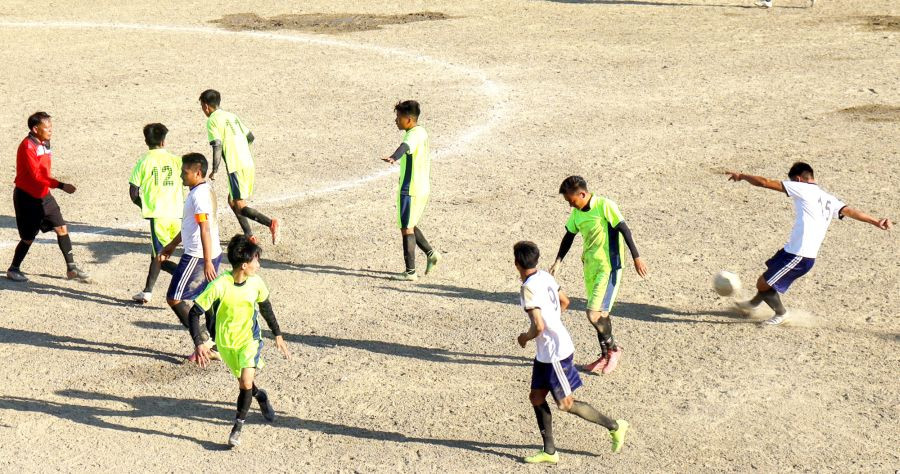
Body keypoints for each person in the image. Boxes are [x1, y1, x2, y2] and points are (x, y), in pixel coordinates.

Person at [726, 163, 892, 326]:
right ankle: (752, 305)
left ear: (798, 179)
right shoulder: (828, 198)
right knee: (766, 278)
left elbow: (765, 182)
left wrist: (742, 176)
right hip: (791, 250)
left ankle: (781, 314)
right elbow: (850, 211)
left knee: (763, 284)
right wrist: (876, 221)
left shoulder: (802, 188)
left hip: (800, 255)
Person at [514, 241, 628, 464]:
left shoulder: (527, 288)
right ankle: (549, 452)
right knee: (536, 397)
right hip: (546, 354)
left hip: (556, 354)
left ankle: (615, 426)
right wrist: (553, 319)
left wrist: (524, 338)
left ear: (516, 263)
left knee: (565, 404)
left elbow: (538, 326)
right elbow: (565, 301)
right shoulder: (545, 276)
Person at [188, 234, 290, 448]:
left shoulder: (256, 283)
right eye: (256, 260)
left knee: (244, 382)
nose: (258, 264)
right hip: (226, 343)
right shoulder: (219, 285)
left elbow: (266, 308)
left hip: (249, 340)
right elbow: (194, 312)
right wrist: (199, 342)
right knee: (246, 385)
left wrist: (278, 334)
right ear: (244, 265)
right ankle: (260, 396)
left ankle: (237, 428)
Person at [549, 176, 647, 374]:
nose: (570, 205)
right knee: (601, 315)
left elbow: (624, 230)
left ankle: (614, 351)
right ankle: (605, 355)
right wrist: (558, 261)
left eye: (571, 200)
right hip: (590, 269)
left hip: (609, 268)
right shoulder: (577, 214)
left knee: (593, 314)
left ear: (582, 194)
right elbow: (568, 237)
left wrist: (637, 257)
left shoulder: (604, 206)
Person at [6, 112, 90, 283]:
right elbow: (36, 175)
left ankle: (71, 268)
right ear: (35, 129)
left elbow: (43, 172)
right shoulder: (27, 146)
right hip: (27, 198)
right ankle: (13, 269)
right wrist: (61, 185)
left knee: (61, 228)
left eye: (51, 127)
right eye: (47, 128)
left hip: (44, 194)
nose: (51, 130)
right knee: (28, 238)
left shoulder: (45, 142)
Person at [158, 153, 222, 356]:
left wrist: (207, 261)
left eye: (185, 172)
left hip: (198, 256)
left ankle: (202, 339)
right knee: (204, 297)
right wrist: (171, 245)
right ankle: (215, 342)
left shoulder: (199, 196)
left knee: (174, 298)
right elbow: (191, 226)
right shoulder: (202, 189)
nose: (180, 176)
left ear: (198, 172)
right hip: (206, 253)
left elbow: (204, 229)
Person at [199, 89, 279, 245]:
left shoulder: (212, 121)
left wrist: (215, 169)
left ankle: (271, 223)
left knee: (239, 205)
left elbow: (217, 145)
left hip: (236, 165)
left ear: (206, 106)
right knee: (232, 200)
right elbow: (250, 137)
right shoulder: (231, 116)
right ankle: (249, 235)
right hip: (247, 161)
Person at [381, 100, 441, 281]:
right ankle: (431, 254)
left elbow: (405, 147)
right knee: (411, 223)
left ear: (408, 119)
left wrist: (393, 157)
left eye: (398, 117)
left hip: (410, 189)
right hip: (422, 187)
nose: (396, 120)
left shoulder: (412, 136)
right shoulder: (422, 131)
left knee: (406, 228)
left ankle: (410, 272)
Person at [128, 123, 183, 303]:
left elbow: (133, 192)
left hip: (159, 216)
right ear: (163, 141)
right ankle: (147, 291)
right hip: (177, 213)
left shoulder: (144, 161)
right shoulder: (176, 160)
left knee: (160, 255)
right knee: (157, 254)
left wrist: (144, 206)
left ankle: (186, 277)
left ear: (146, 141)